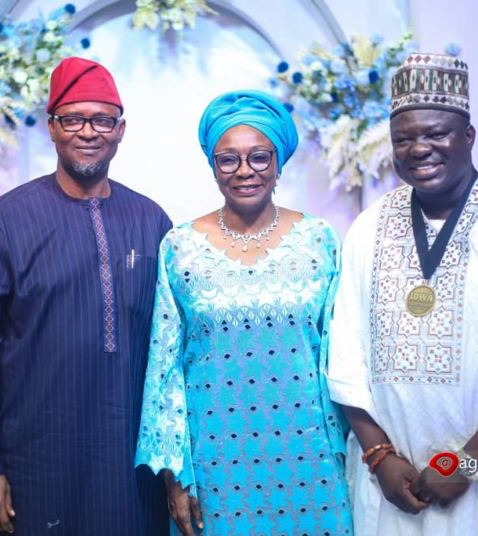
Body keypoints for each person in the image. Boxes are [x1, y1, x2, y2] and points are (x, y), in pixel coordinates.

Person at [328, 53, 478, 535]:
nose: (420, 148)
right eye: (405, 138)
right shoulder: (368, 228)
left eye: (436, 134)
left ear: (469, 137)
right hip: (393, 485)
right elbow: (346, 357)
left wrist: (468, 465)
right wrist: (379, 456)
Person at [0, 57, 171, 535]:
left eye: (102, 120)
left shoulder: (153, 222)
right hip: (35, 463)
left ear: (120, 130)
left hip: (131, 468)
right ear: (51, 128)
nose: (88, 131)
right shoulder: (2, 224)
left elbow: (169, 353)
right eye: (73, 118)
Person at [135, 90, 353, 536]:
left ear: (278, 162)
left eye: (258, 157)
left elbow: (341, 351)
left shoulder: (320, 240)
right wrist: (175, 477)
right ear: (213, 166)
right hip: (214, 463)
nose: (244, 171)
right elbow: (164, 368)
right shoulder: (180, 247)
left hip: (309, 456)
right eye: (227, 159)